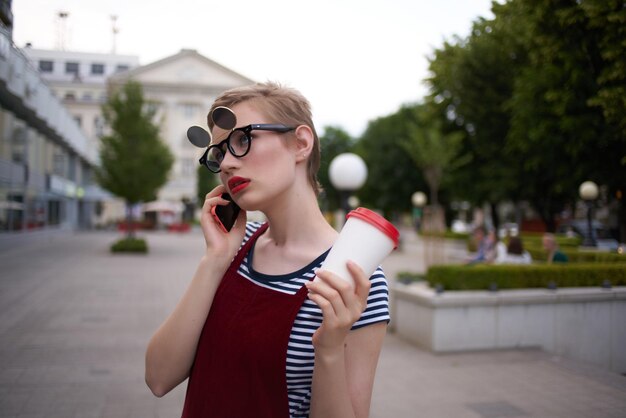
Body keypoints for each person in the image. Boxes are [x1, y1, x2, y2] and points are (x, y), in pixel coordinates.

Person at [145, 82, 389, 418]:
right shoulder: (233, 250)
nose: (227, 163)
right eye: (218, 153)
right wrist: (214, 260)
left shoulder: (357, 278)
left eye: (242, 140)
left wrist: (329, 349)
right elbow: (158, 378)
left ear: (300, 143)